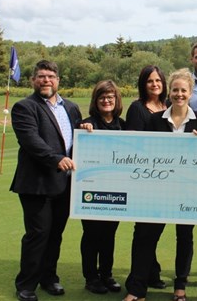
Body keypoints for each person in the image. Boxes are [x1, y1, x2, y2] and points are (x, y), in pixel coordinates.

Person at [124, 68, 197, 301]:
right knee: (145, 236)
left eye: (183, 90)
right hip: (157, 190)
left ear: (190, 93)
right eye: (175, 90)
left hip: (188, 191)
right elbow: (144, 153)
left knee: (185, 238)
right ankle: (137, 290)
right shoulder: (154, 120)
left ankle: (180, 288)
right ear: (169, 92)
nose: (179, 94)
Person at [10, 60, 83, 301]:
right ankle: (26, 284)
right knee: (38, 233)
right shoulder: (24, 107)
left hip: (64, 183)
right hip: (36, 184)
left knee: (55, 234)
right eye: (41, 76)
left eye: (51, 76)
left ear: (58, 80)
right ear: (33, 80)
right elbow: (31, 141)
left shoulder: (71, 108)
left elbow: (78, 139)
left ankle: (48, 277)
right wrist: (55, 159)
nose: (46, 80)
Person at [79, 80, 125, 294]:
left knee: (109, 235)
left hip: (116, 190)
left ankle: (106, 274)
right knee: (91, 235)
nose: (106, 101)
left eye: (110, 97)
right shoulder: (86, 125)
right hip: (91, 191)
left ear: (116, 101)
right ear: (95, 101)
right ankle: (91, 277)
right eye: (102, 98)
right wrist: (83, 129)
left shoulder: (123, 125)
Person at [124, 64, 168, 289]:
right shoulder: (136, 108)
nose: (155, 84)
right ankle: (137, 278)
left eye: (158, 81)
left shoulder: (169, 106)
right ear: (143, 84)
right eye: (150, 81)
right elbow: (133, 145)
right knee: (143, 231)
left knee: (154, 230)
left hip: (165, 179)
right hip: (143, 179)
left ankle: (151, 272)